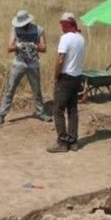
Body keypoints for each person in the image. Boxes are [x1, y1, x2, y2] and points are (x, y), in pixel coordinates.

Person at [0, 9, 52, 128]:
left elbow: (44, 48)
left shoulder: (38, 29)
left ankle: (40, 113)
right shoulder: (15, 29)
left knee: (36, 90)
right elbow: (9, 47)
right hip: (18, 63)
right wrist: (17, 46)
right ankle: (1, 115)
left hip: (33, 63)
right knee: (10, 90)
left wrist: (35, 46)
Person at [47, 12, 86, 153]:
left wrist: (55, 75)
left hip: (65, 77)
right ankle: (74, 142)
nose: (61, 27)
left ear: (65, 24)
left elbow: (61, 59)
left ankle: (62, 143)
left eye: (62, 24)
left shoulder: (65, 38)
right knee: (73, 110)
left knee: (57, 110)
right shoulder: (81, 38)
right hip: (77, 77)